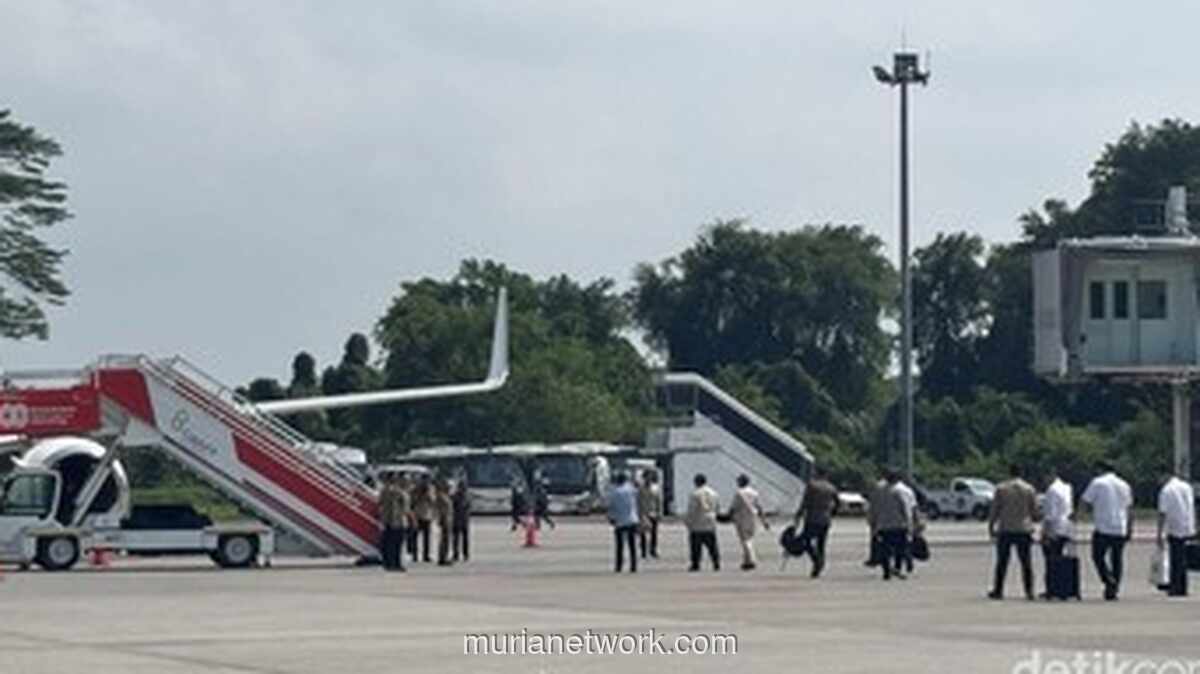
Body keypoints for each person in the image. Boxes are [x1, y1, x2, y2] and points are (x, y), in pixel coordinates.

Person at [1080, 460, 1133, 601]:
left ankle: (1108, 579)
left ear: (1100, 469)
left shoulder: (1098, 482)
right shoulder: (1124, 485)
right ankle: (1114, 589)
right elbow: (1129, 508)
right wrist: (1129, 528)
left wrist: (1082, 514)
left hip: (1103, 527)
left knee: (1097, 556)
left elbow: (1085, 500)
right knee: (1117, 559)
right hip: (1120, 526)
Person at [987, 464, 1040, 600]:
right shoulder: (1029, 489)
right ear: (1021, 473)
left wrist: (991, 526)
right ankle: (1029, 591)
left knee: (1002, 562)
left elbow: (995, 510)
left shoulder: (1001, 488)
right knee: (1026, 562)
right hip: (1023, 528)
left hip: (1006, 528)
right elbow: (1034, 512)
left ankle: (998, 590)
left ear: (1009, 473)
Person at [868, 469, 915, 580]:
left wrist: (872, 522)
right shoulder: (899, 491)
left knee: (885, 549)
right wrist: (909, 524)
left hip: (883, 525)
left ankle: (886, 571)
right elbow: (905, 508)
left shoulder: (878, 490)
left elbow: (873, 508)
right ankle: (897, 568)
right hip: (898, 525)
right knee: (900, 548)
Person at [793, 467, 839, 578]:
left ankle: (816, 560)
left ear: (817, 473)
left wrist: (799, 513)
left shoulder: (812, 485)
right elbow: (837, 502)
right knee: (821, 544)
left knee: (807, 541)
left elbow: (806, 501)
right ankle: (819, 564)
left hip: (812, 517)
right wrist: (832, 513)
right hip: (825, 518)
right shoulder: (831, 487)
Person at [1156, 470, 1196, 597]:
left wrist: (1159, 533)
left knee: (1176, 559)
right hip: (1188, 525)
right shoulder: (1186, 486)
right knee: (1183, 558)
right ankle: (1183, 586)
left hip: (1175, 527)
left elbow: (1162, 512)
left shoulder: (1167, 490)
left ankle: (1175, 586)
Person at [1039, 466, 1074, 600]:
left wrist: (1045, 534)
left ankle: (1052, 588)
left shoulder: (1052, 490)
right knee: (1059, 558)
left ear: (1050, 475)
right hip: (1066, 527)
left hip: (1055, 529)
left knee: (1051, 560)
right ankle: (1061, 587)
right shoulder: (1067, 487)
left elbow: (1050, 515)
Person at [728, 474, 769, 570]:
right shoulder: (754, 493)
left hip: (742, 518)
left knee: (745, 540)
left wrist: (728, 516)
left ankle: (751, 560)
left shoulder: (739, 493)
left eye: (738, 481)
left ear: (741, 482)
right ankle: (746, 561)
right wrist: (764, 521)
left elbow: (734, 507)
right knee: (749, 539)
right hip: (753, 518)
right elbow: (759, 507)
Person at [685, 473, 721, 572]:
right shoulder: (714, 493)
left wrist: (688, 521)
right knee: (712, 545)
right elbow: (717, 507)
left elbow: (692, 510)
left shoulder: (695, 494)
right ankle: (716, 562)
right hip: (710, 521)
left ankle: (695, 564)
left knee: (696, 546)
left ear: (696, 482)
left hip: (698, 522)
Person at [607, 472, 640, 573]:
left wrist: (611, 518)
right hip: (632, 519)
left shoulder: (615, 492)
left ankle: (619, 566)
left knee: (620, 546)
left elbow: (612, 507)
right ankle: (634, 566)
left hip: (620, 521)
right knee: (632, 545)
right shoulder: (632, 490)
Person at [377, 474, 409, 572]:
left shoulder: (385, 491)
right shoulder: (397, 492)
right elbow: (395, 507)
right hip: (397, 521)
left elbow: (380, 504)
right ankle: (395, 564)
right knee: (396, 545)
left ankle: (389, 563)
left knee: (390, 544)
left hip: (389, 521)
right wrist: (394, 520)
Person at [410, 474, 435, 563]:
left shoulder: (431, 489)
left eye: (427, 480)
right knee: (415, 537)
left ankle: (426, 555)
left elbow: (433, 501)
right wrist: (419, 494)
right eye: (424, 480)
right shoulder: (415, 489)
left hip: (427, 515)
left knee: (427, 538)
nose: (425, 482)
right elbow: (412, 502)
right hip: (417, 515)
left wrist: (428, 495)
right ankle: (415, 555)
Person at [638, 471, 663, 559]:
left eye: (649, 476)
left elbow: (659, 501)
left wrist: (660, 512)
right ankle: (643, 551)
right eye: (646, 477)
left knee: (654, 533)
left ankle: (653, 550)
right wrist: (639, 514)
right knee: (643, 533)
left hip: (653, 513)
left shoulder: (655, 488)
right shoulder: (640, 488)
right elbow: (638, 501)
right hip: (643, 513)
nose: (648, 478)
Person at [434, 477, 455, 566]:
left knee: (446, 540)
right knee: (444, 539)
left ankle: (444, 556)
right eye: (448, 487)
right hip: (444, 519)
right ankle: (442, 557)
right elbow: (440, 509)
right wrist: (441, 519)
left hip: (448, 519)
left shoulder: (447, 496)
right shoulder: (442, 496)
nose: (449, 489)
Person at [451, 478, 471, 562]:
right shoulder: (455, 496)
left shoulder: (467, 496)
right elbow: (453, 507)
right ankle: (456, 554)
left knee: (465, 539)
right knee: (456, 539)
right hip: (456, 519)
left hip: (464, 519)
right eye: (462, 486)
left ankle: (465, 554)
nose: (463, 488)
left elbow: (469, 507)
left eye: (464, 486)